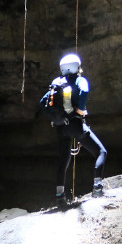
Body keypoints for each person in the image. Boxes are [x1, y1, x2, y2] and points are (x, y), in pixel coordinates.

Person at [46, 53, 106, 205]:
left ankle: (60, 197)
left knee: (63, 161)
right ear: (76, 67)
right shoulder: (80, 80)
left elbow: (43, 101)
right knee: (101, 152)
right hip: (75, 125)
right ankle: (97, 188)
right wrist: (81, 109)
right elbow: (84, 91)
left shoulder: (57, 82)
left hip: (60, 127)